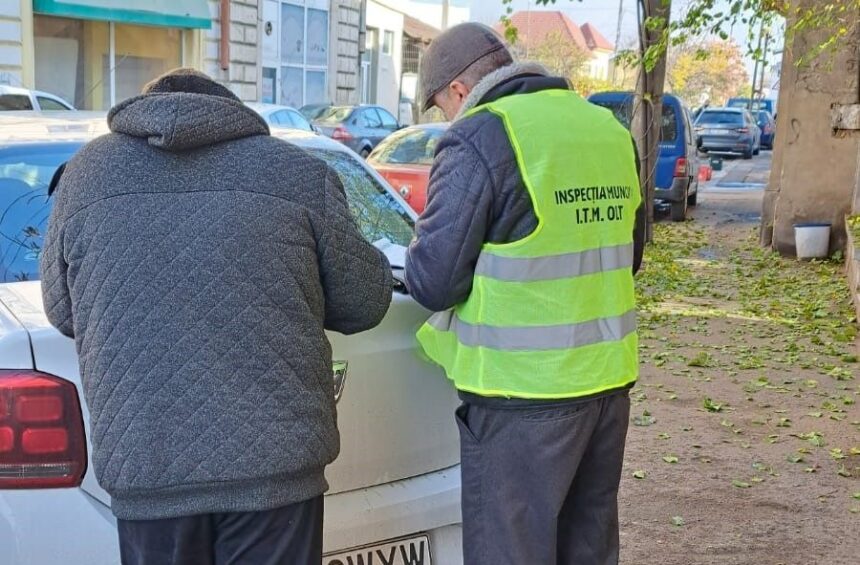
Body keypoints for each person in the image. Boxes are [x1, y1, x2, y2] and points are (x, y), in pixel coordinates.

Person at [41, 69, 393, 564]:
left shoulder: (84, 176)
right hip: (274, 469)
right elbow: (365, 302)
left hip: (150, 459)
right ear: (232, 110)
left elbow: (61, 310)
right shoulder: (297, 173)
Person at [406, 23, 646, 565]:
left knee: (508, 553)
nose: (447, 118)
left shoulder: (480, 136)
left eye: (443, 105)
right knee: (587, 547)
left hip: (523, 398)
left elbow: (432, 281)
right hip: (606, 385)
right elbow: (628, 255)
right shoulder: (605, 129)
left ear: (460, 92)